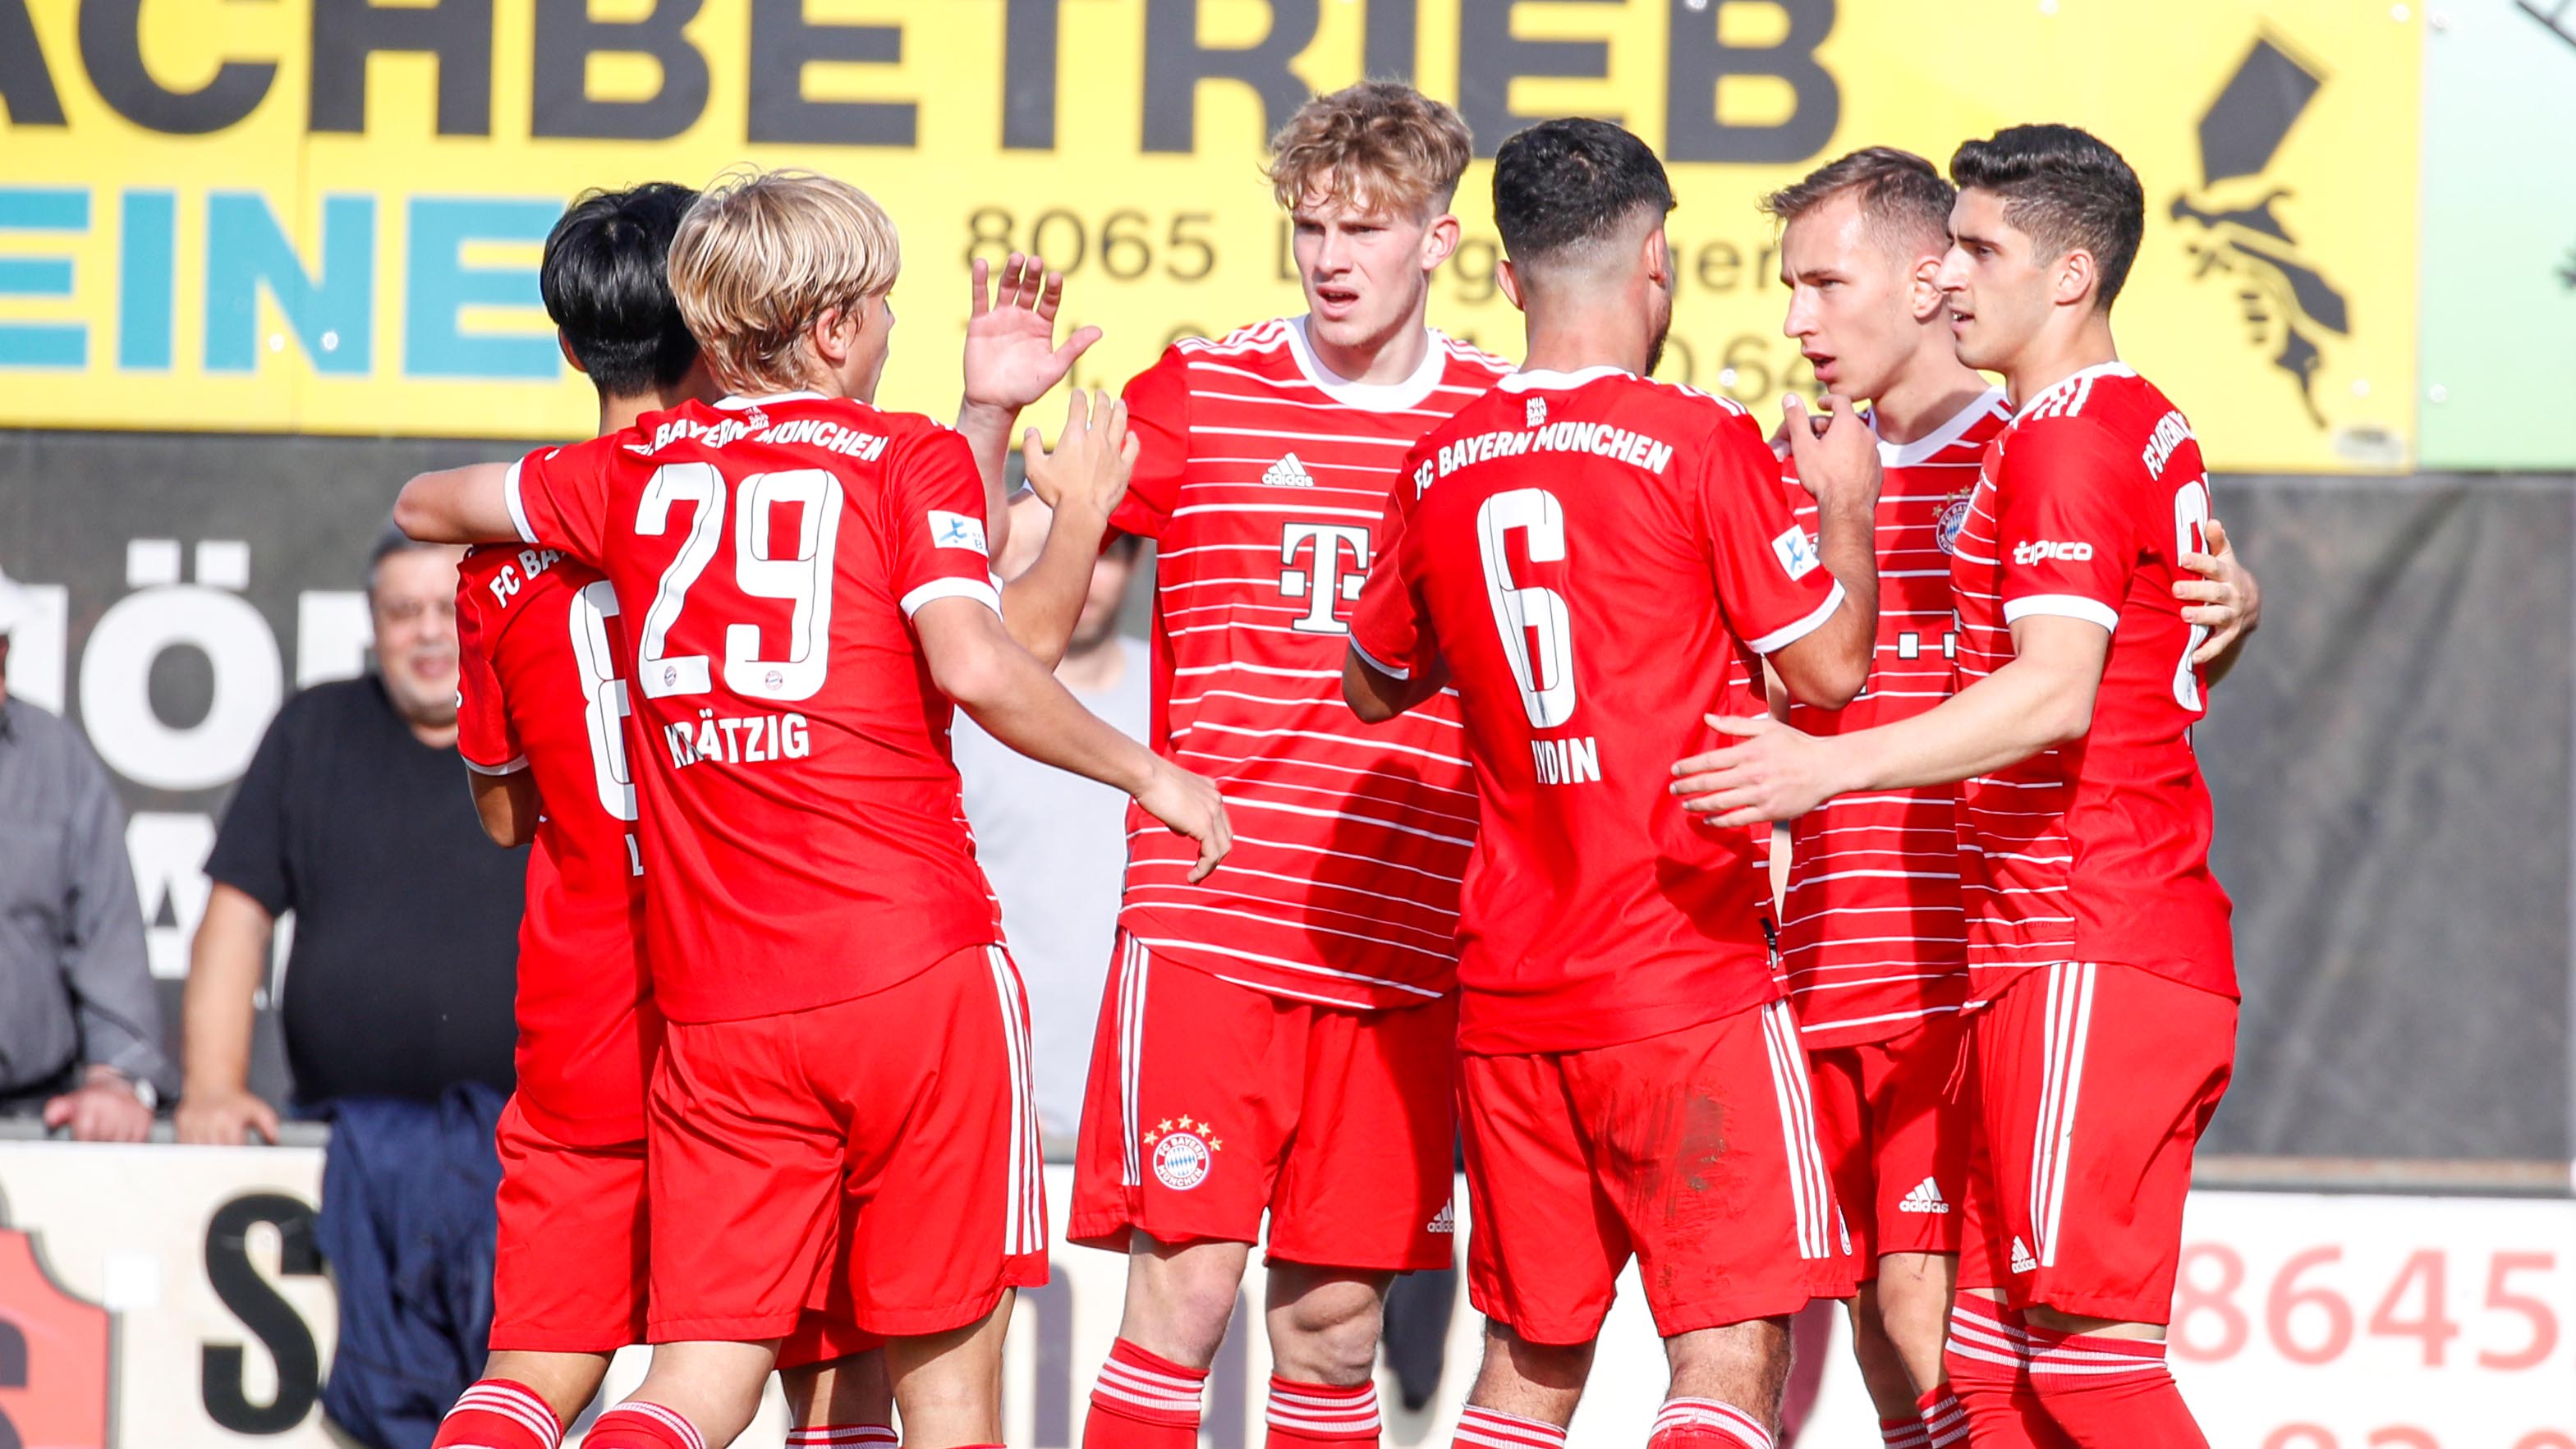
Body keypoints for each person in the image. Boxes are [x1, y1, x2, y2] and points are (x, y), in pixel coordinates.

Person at [392, 167, 1229, 1449]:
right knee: (921, 1400)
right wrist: (1149, 766)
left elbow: (429, 513)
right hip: (905, 977)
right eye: (883, 304)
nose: (892, 325)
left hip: (699, 1004)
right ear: (836, 328)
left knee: (659, 1385)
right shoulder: (905, 459)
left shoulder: (611, 492)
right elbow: (986, 654)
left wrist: (548, 499)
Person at [1673, 124, 2240, 1449]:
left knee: (2047, 1360)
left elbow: (2068, 679)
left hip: (2030, 946)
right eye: (1787, 285)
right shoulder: (1818, 464)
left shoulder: (2049, 438)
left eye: (1827, 283)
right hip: (1877, 958)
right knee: (1959, 1368)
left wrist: (1829, 760)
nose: (1796, 316)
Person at [1340, 117, 1876, 1449]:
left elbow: (1368, 680)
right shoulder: (1697, 442)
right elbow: (1826, 672)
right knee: (1728, 1351)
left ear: (1508, 281)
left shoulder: (1440, 460)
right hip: (1677, 968)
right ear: (1656, 260)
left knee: (1528, 1361)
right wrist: (1844, 510)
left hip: (1513, 984)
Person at [1031, 82, 1512, 1449]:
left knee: (1333, 1332)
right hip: (1216, 915)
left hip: (1401, 943)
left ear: (1440, 236)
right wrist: (991, 418)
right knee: (1180, 1300)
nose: (1332, 258)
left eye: (1364, 228)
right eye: (1310, 227)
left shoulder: (1493, 415)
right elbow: (1026, 584)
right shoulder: (1203, 390)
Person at [953, 528, 1150, 1142]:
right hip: (994, 1101)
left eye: (1109, 553)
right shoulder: (959, 707)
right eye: (1064, 546)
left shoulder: (1173, 700)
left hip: (1140, 1098)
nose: (1086, 574)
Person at [0, 566, 174, 1140]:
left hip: (26, 1117)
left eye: (1, 651)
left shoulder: (54, 758)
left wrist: (115, 1076)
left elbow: (106, 936)